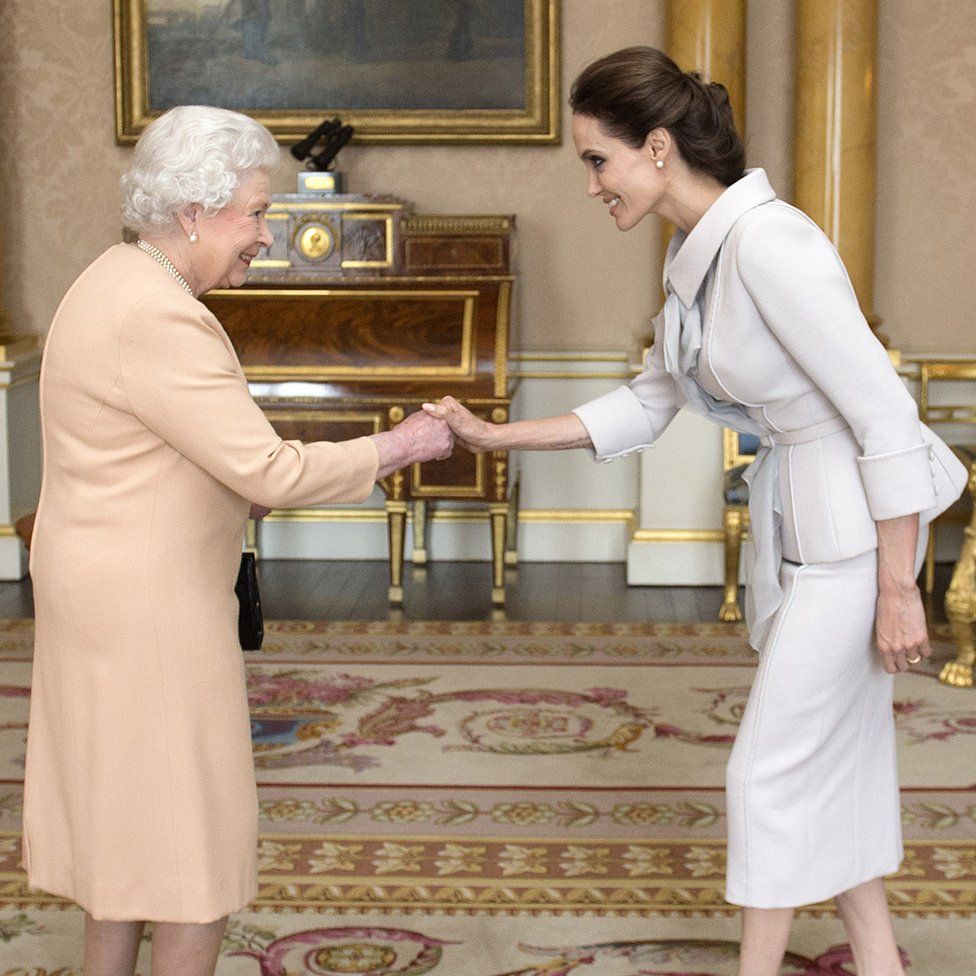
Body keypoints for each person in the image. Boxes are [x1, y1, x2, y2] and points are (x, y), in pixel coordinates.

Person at [424, 47, 968, 976]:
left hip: (851, 547)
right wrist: (495, 437)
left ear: (660, 146)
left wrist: (897, 587)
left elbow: (885, 417)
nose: (591, 184)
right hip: (801, 535)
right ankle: (882, 961)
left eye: (598, 159)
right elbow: (649, 401)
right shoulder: (693, 255)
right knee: (830, 763)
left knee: (767, 773)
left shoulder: (774, 243)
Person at [22, 105, 452, 976]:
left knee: (123, 843)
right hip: (149, 613)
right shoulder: (162, 316)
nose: (265, 234)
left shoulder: (111, 279)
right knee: (193, 853)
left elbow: (166, 453)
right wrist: (400, 446)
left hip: (100, 594)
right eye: (255, 212)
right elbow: (271, 473)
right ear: (193, 213)